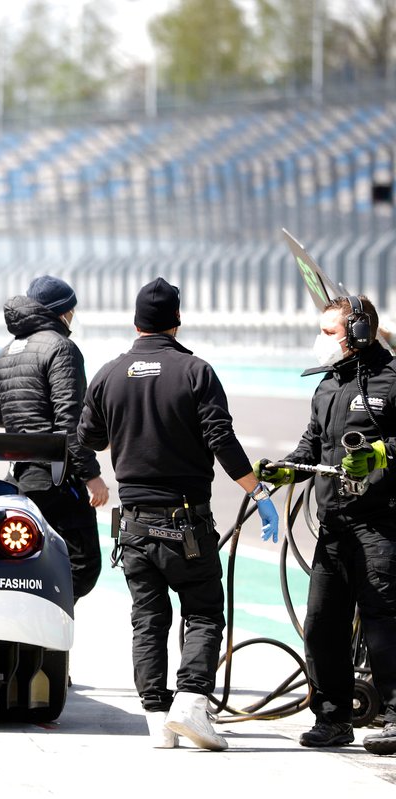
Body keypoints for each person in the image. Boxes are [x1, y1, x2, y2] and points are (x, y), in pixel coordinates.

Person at [77, 277, 280, 751]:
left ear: (135, 323)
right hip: (186, 521)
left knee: (148, 618)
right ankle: (190, 704)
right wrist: (258, 491)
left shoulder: (109, 373)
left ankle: (155, 718)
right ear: (177, 321)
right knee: (205, 612)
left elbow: (88, 439)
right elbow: (220, 438)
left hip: (133, 524)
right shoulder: (195, 371)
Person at [253, 294, 396, 755]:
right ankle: (333, 719)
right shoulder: (327, 387)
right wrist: (285, 471)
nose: (321, 341)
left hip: (382, 526)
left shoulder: (392, 380)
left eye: (329, 332)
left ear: (357, 334)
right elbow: (311, 447)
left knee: (384, 625)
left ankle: (394, 718)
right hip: (333, 526)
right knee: (320, 624)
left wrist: (379, 454)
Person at [0, 275, 109, 602]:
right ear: (61, 312)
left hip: (20, 479)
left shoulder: (5, 352)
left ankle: (28, 626)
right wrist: (92, 476)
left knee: (26, 564)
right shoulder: (62, 348)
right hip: (57, 479)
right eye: (71, 310)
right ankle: (46, 629)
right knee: (83, 565)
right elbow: (69, 424)